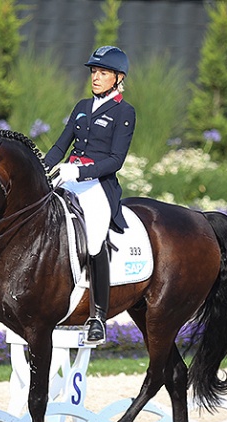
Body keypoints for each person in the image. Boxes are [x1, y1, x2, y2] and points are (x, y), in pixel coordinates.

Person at [45, 46, 136, 344]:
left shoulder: (124, 112)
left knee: (95, 239)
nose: (95, 78)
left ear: (118, 78)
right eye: (94, 72)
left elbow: (115, 160)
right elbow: (61, 146)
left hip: (97, 185)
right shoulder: (82, 105)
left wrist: (81, 173)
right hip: (68, 178)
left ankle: (98, 315)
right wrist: (42, 167)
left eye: (103, 73)